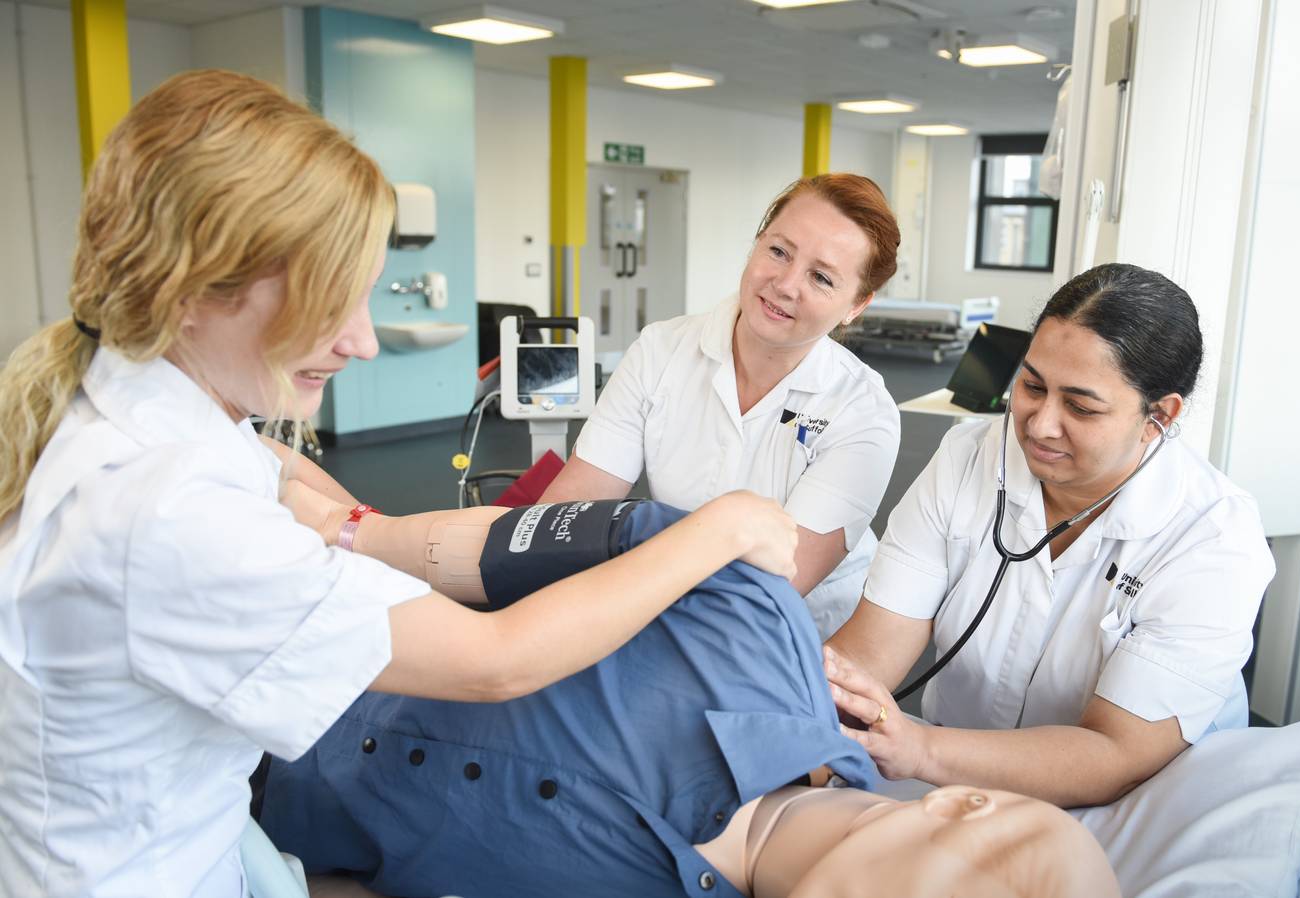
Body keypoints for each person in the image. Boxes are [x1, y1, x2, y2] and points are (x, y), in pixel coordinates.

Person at [0, 70, 797, 898]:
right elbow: (497, 663)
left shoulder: (132, 408)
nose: (362, 342)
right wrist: (722, 527)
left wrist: (360, 528)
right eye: (332, 299)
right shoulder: (169, 512)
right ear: (196, 287)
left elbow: (284, 479)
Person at [259, 499, 1121, 898]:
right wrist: (333, 522)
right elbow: (475, 550)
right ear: (967, 805)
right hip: (265, 598)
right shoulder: (751, 616)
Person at [825, 263, 1277, 809]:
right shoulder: (968, 460)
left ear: (1158, 415)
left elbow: (1116, 753)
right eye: (1032, 386)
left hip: (1133, 808)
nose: (1039, 424)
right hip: (949, 772)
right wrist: (797, 746)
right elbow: (874, 648)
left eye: (1081, 406)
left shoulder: (1214, 539)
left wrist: (921, 749)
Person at [538, 173, 903, 638]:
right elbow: (568, 510)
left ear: (857, 305)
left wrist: (612, 599)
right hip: (660, 599)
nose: (786, 284)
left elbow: (775, 587)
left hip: (796, 635)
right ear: (757, 243)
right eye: (778, 251)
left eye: (821, 277)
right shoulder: (660, 351)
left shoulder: (862, 411)